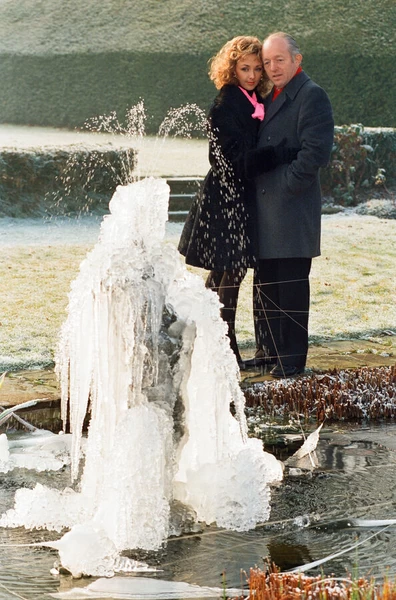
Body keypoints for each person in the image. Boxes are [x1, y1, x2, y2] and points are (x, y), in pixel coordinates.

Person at [178, 35, 297, 368]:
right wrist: (278, 154)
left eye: (257, 69)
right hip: (225, 200)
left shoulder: (249, 100)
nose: (253, 75)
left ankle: (207, 346)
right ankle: (224, 353)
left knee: (224, 278)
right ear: (231, 69)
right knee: (228, 277)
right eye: (245, 68)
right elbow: (234, 162)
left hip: (238, 198)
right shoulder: (227, 103)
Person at [244, 32, 334, 378]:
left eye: (279, 59)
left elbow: (316, 153)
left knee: (291, 286)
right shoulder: (270, 95)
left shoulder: (311, 95)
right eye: (267, 62)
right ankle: (269, 353)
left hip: (292, 210)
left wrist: (285, 185)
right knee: (266, 284)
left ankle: (292, 361)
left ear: (298, 59)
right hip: (267, 211)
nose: (271, 67)